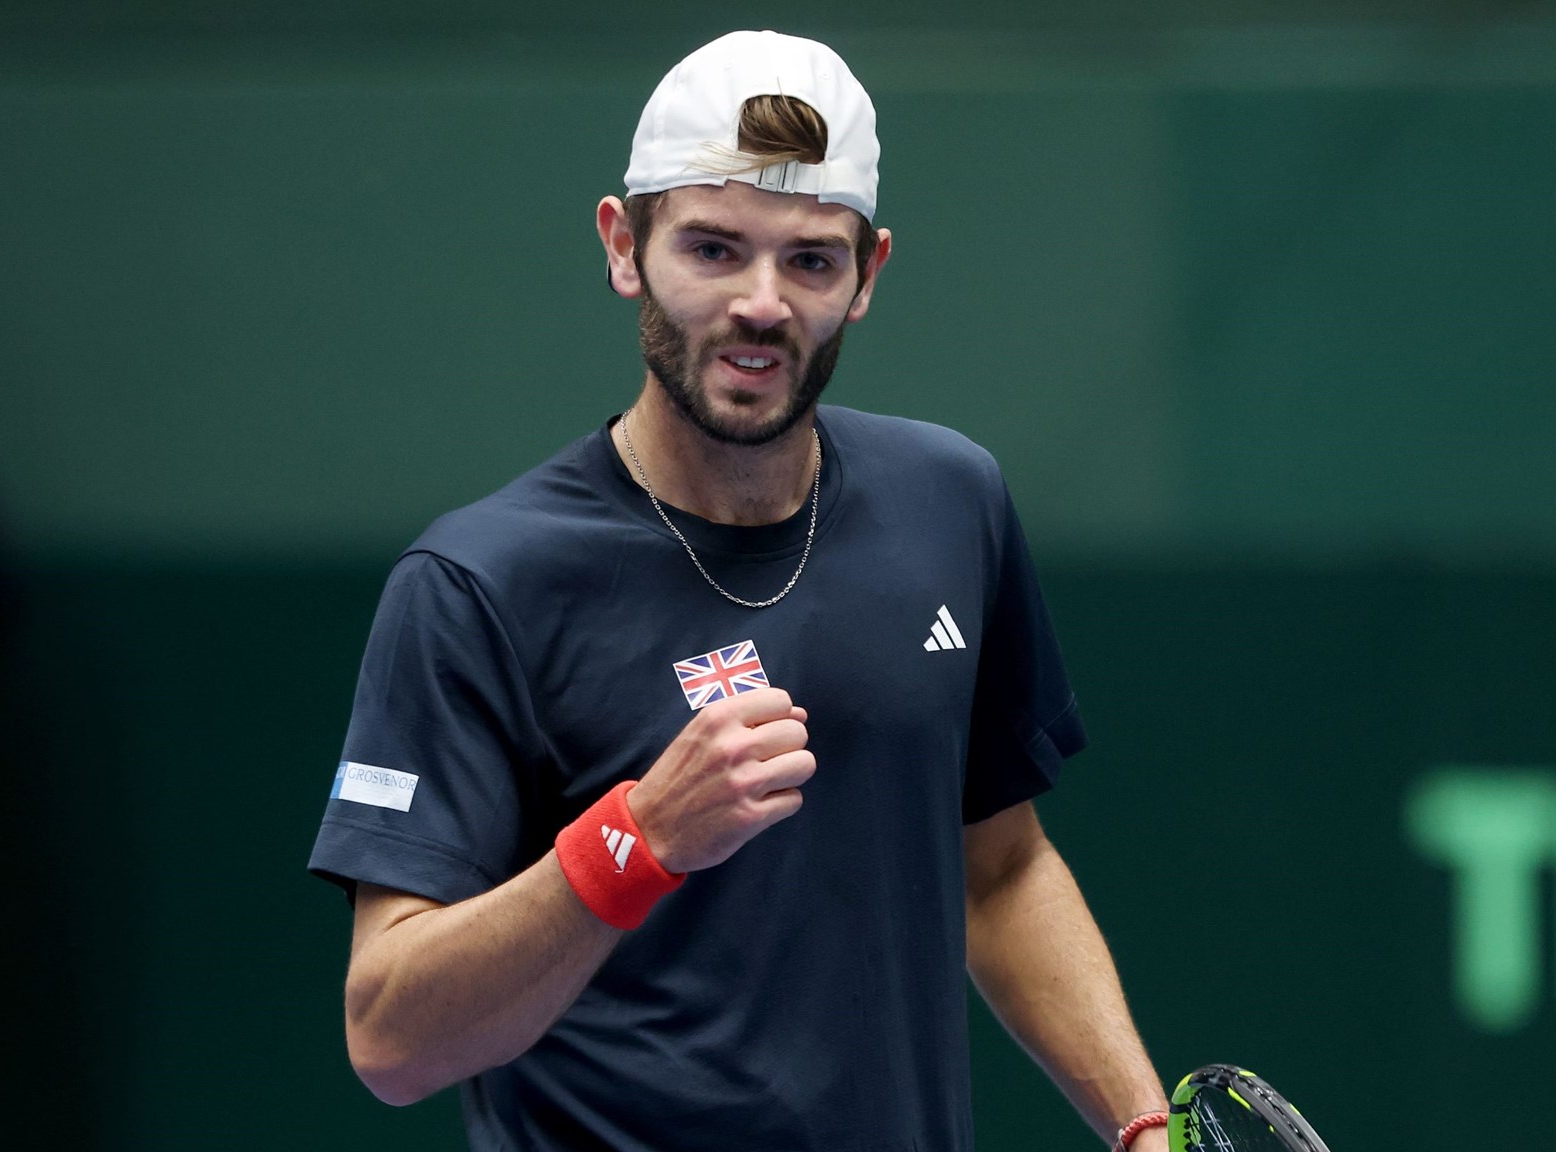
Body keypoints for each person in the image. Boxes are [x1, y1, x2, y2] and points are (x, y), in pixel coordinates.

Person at [307, 28, 1170, 1152]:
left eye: (810, 261)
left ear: (868, 275)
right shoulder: (476, 584)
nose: (762, 303)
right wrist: (635, 840)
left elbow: (1000, 873)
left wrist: (1140, 1126)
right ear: (624, 247)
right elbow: (390, 1038)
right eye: (713, 249)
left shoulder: (950, 502)